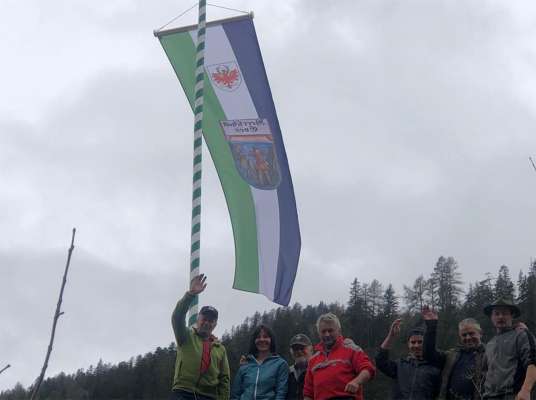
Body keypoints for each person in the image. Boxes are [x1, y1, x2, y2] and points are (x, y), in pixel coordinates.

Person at [171, 274, 230, 400]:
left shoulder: (220, 349)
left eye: (211, 320)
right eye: (204, 319)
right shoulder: (185, 336)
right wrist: (191, 294)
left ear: (215, 324)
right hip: (183, 392)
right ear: (198, 319)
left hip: (209, 396)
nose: (207, 323)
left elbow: (224, 380)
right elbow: (177, 317)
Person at [303, 313, 375, 400]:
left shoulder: (351, 349)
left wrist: (356, 382)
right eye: (323, 331)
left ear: (339, 331)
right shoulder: (313, 360)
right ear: (319, 334)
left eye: (330, 330)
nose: (327, 334)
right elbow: (308, 392)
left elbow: (368, 369)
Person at [422, 306, 486, 400]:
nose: (468, 337)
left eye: (471, 333)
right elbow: (429, 355)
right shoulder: (451, 355)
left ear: (480, 333)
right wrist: (431, 326)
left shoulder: (489, 355)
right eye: (464, 335)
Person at [481, 298, 536, 400]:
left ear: (512, 315)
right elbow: (485, 372)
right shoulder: (490, 343)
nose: (500, 316)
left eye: (505, 313)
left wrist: (526, 390)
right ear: (491, 317)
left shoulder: (521, 334)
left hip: (512, 395)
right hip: (489, 396)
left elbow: (533, 362)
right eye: (496, 314)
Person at [375, 318, 441, 399]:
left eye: (420, 342)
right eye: (413, 342)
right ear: (408, 344)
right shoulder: (400, 365)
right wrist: (391, 336)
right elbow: (380, 361)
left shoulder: (435, 368)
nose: (416, 345)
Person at [231, 324, 289, 400]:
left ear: (271, 340)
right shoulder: (245, 365)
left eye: (265, 337)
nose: (262, 339)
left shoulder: (280, 364)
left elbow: (281, 393)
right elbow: (235, 394)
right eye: (258, 337)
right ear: (254, 341)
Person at [287, 334, 314, 400]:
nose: (299, 351)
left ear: (311, 349)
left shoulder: (317, 370)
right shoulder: (287, 372)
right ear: (291, 352)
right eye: (295, 349)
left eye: (302, 348)